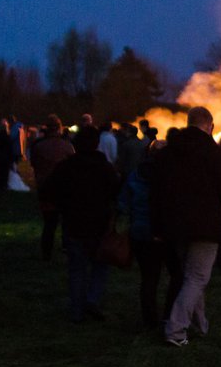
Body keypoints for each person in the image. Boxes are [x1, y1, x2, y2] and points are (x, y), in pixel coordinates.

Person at [153, 106, 221, 347]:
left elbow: (157, 191)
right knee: (197, 277)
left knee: (191, 276)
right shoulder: (213, 151)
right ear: (209, 126)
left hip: (173, 226)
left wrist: (158, 227)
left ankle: (200, 325)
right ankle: (176, 330)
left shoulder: (168, 152)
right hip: (205, 226)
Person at [43, 125, 120, 323]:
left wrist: (63, 206)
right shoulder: (105, 168)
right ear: (96, 144)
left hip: (74, 223)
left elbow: (50, 190)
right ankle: (92, 299)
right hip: (99, 224)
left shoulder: (66, 167)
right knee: (100, 265)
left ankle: (77, 311)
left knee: (77, 268)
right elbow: (116, 192)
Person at [118, 151, 163, 329]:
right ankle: (160, 318)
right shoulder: (165, 176)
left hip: (138, 231)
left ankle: (149, 316)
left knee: (147, 277)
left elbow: (122, 203)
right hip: (159, 232)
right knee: (159, 275)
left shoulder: (135, 175)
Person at [29, 114, 75, 261]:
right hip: (64, 189)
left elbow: (34, 164)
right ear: (60, 128)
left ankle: (47, 253)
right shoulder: (67, 146)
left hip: (45, 188)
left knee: (49, 224)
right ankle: (67, 249)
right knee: (67, 222)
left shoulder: (38, 146)